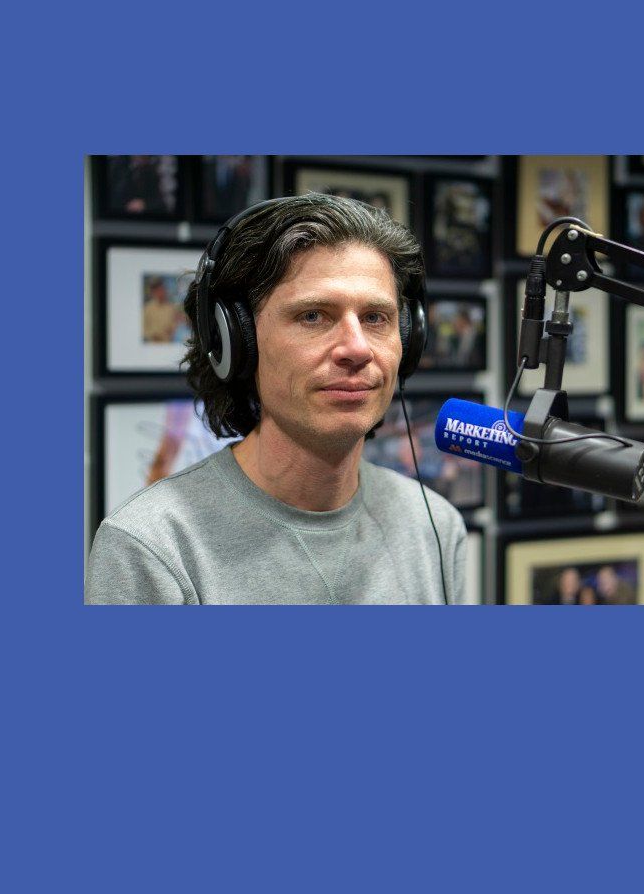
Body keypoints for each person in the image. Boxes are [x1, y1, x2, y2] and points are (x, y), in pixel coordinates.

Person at [86, 194, 467, 604]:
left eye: (375, 318)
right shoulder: (152, 547)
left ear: (409, 339)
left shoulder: (434, 525)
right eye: (313, 316)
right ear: (235, 342)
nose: (357, 349)